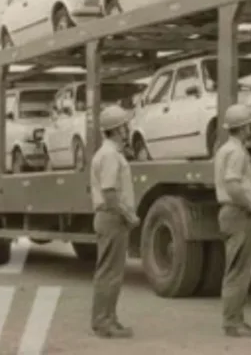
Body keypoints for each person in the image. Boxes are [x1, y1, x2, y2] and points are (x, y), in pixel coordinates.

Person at [213, 103, 251, 338]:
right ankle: (233, 322)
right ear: (244, 127)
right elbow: (233, 185)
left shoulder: (225, 149)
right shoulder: (236, 152)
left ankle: (234, 320)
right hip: (237, 213)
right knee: (238, 271)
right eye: (250, 124)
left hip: (229, 213)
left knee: (234, 269)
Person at [89, 105, 140, 339]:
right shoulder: (109, 155)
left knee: (112, 272)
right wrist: (128, 215)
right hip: (112, 217)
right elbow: (109, 192)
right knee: (110, 272)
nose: (127, 129)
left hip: (110, 217)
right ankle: (103, 321)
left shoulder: (109, 153)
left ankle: (108, 318)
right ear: (118, 129)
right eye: (124, 126)